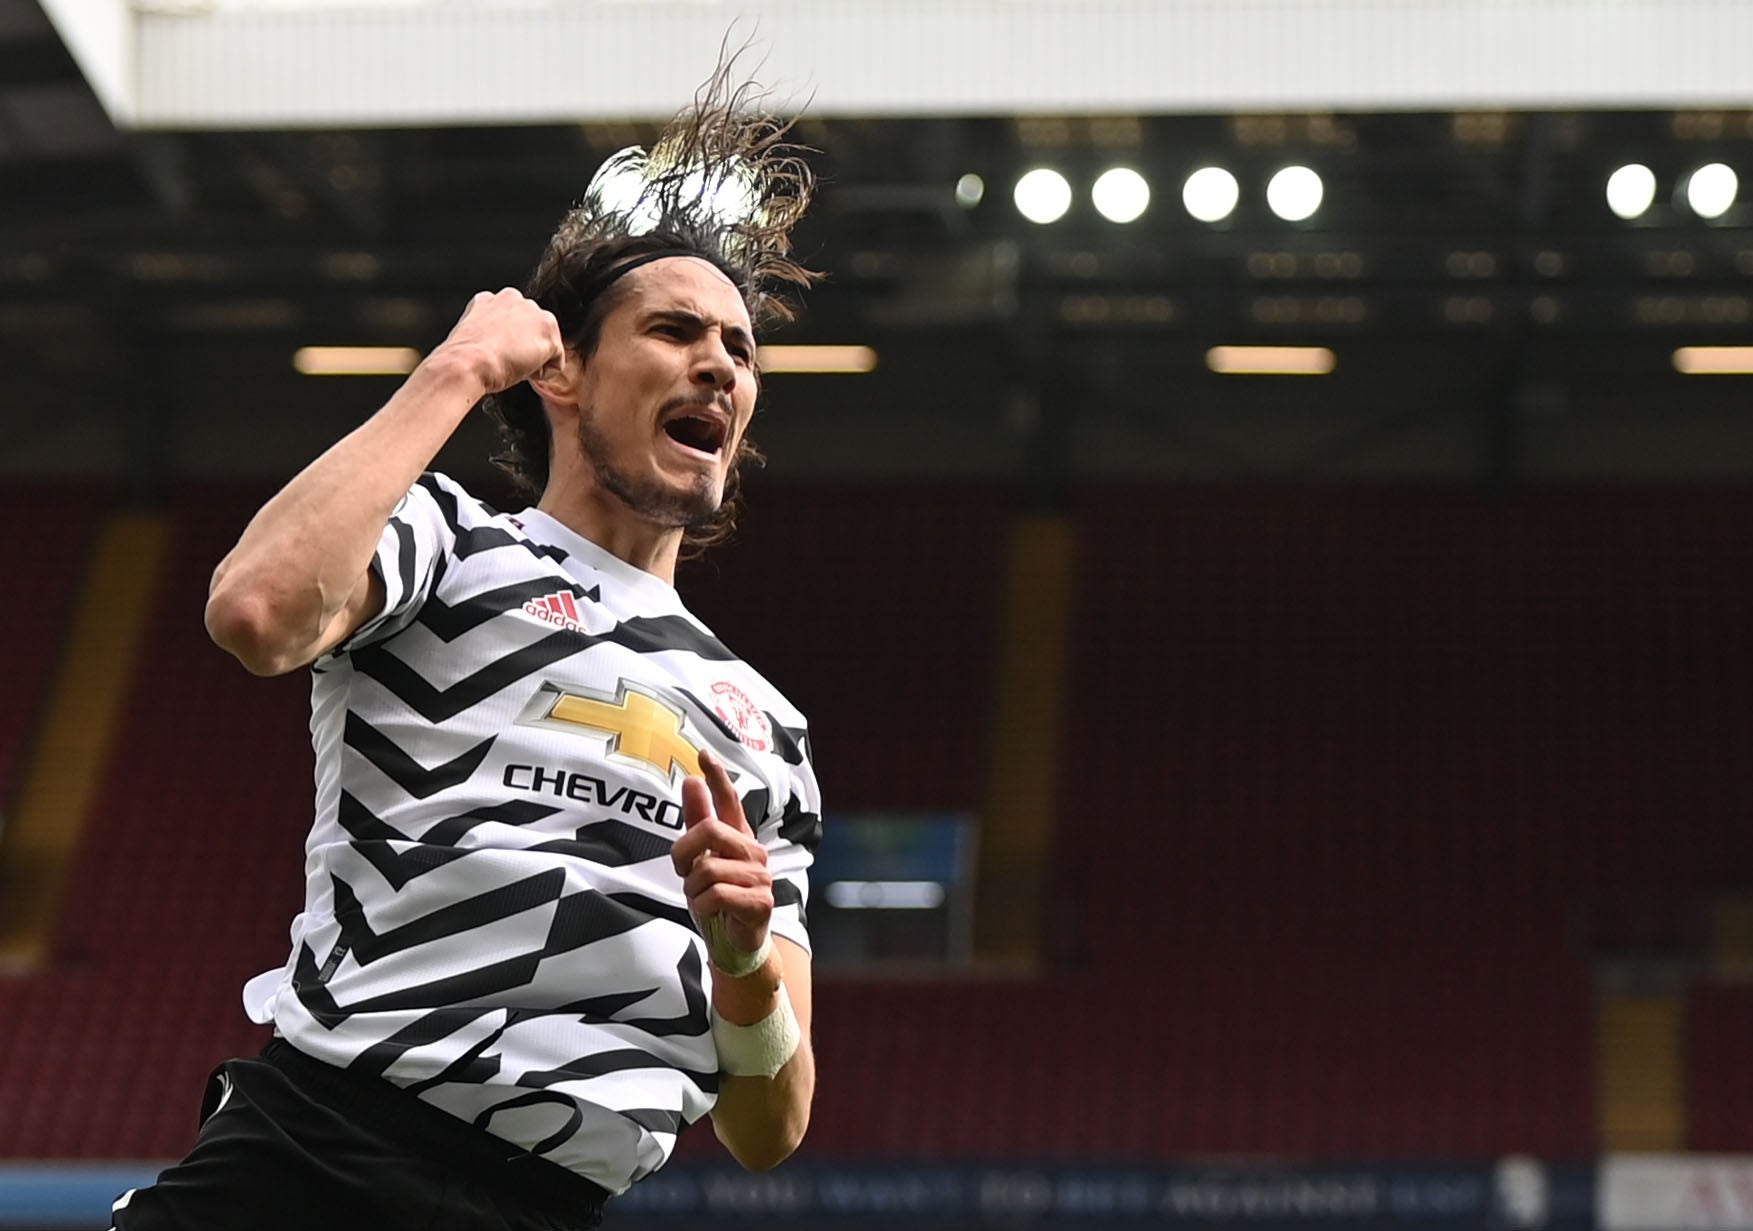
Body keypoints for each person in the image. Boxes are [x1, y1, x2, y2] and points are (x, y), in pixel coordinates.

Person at [112, 65, 822, 1231]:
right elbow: (255, 613)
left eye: (741, 350)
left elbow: (768, 1126)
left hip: (549, 1207)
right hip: (318, 1161)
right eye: (676, 330)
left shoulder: (768, 729)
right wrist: (453, 368)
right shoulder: (450, 543)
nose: (721, 366)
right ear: (563, 371)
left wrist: (742, 960)